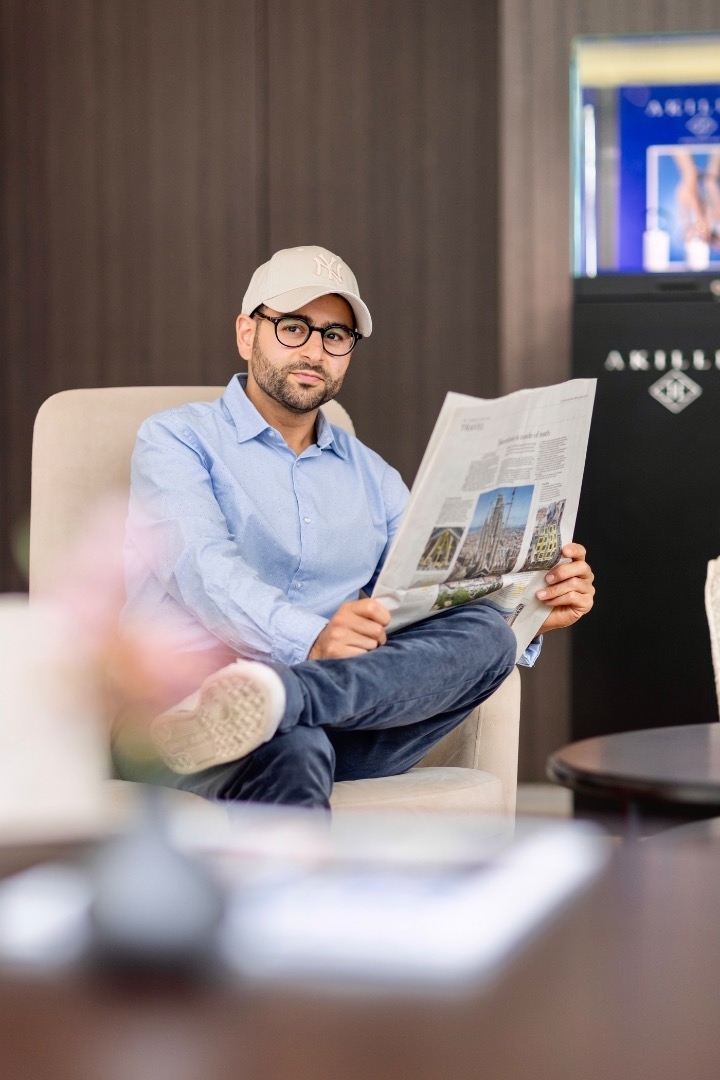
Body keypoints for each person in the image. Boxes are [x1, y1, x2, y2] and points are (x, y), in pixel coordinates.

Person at [120, 245, 595, 807]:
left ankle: (289, 697)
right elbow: (204, 571)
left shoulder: (375, 475)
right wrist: (312, 638)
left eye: (335, 336)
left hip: (339, 721)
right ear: (247, 333)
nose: (314, 351)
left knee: (487, 634)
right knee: (295, 748)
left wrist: (530, 610)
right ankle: (281, 706)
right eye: (293, 327)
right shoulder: (175, 439)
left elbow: (426, 599)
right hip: (186, 714)